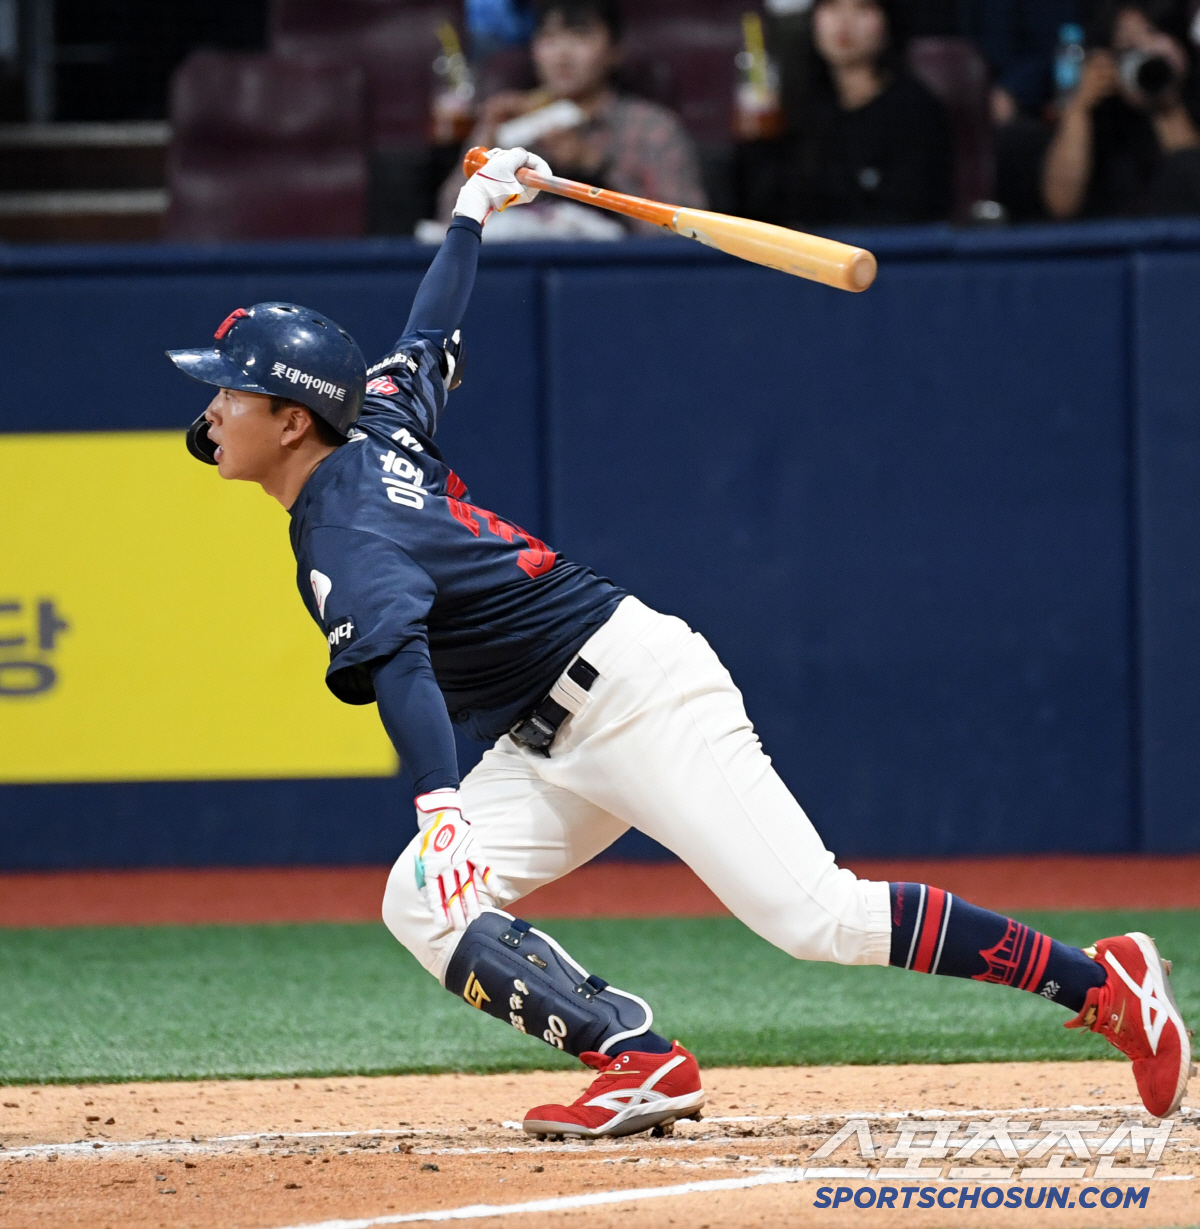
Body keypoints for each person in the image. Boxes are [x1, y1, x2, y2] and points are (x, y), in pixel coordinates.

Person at [167, 146, 1193, 1137]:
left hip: (634, 692)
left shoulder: (346, 526)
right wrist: (476, 206)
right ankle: (633, 1054)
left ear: (294, 421)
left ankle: (1104, 982)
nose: (211, 407)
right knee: (424, 900)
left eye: (229, 390)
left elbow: (401, 667)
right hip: (547, 734)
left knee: (814, 916)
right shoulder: (378, 423)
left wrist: (439, 803)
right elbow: (428, 331)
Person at [436, 0, 704, 237]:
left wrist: (596, 167)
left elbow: (687, 234)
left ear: (614, 50)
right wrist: (488, 146)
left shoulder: (652, 128)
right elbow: (450, 220)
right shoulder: (508, 123)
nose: (562, 55)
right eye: (549, 39)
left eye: (580, 36)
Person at [746, 0, 953, 228]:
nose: (844, 22)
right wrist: (757, 145)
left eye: (863, 8)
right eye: (832, 6)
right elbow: (765, 212)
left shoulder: (915, 111)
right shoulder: (795, 108)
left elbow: (913, 212)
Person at [1043, 0, 1200, 218]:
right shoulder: (1102, 115)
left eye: (1152, 34)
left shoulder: (1190, 95)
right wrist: (1078, 109)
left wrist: (1164, 102)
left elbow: (1191, 180)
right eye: (1128, 48)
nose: (1145, 52)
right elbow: (1061, 205)